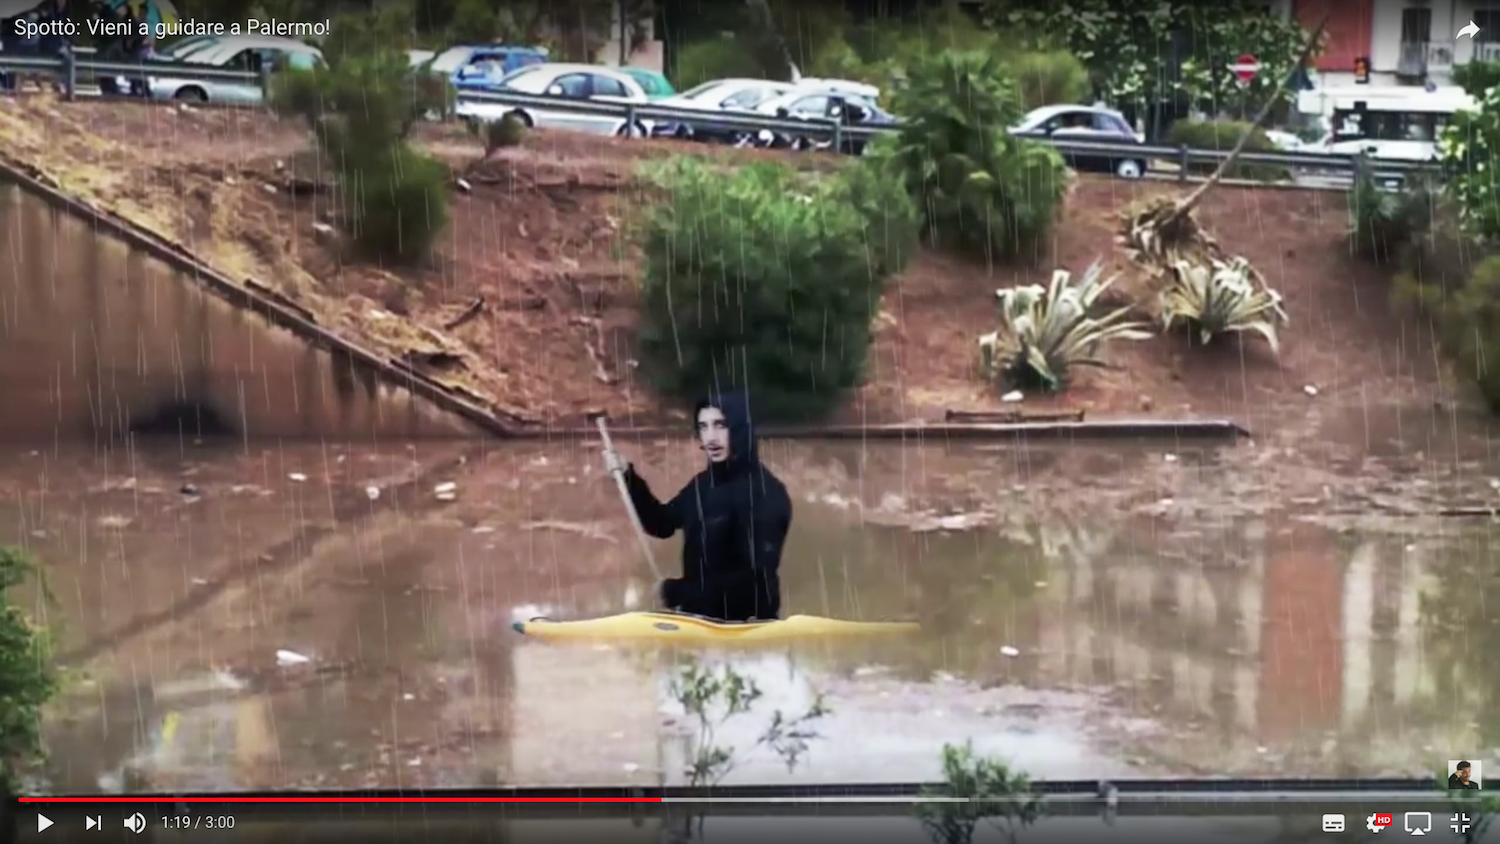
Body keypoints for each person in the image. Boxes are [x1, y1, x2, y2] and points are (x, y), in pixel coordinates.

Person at [603, 392, 792, 622]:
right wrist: (628, 477)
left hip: (748, 629)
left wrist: (675, 592)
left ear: (740, 428)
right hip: (698, 621)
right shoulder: (702, 486)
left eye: (720, 425)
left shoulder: (767, 494)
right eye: (703, 427)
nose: (711, 437)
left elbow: (751, 585)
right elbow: (661, 524)